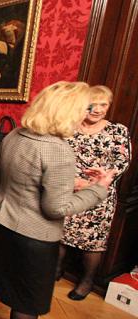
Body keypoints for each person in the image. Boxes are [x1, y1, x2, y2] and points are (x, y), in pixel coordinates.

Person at [0, 81, 114, 319]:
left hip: (1, 221)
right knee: (28, 298)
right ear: (65, 112)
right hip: (34, 236)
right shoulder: (58, 150)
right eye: (83, 109)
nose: (85, 115)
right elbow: (56, 207)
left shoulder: (14, 135)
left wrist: (74, 183)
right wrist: (99, 188)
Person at [57, 85, 131, 300]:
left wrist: (101, 178)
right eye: (92, 104)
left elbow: (123, 162)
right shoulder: (68, 127)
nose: (97, 109)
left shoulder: (118, 131)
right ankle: (56, 269)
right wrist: (71, 181)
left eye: (103, 104)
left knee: (93, 241)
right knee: (60, 234)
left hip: (99, 195)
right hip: (68, 189)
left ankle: (87, 280)